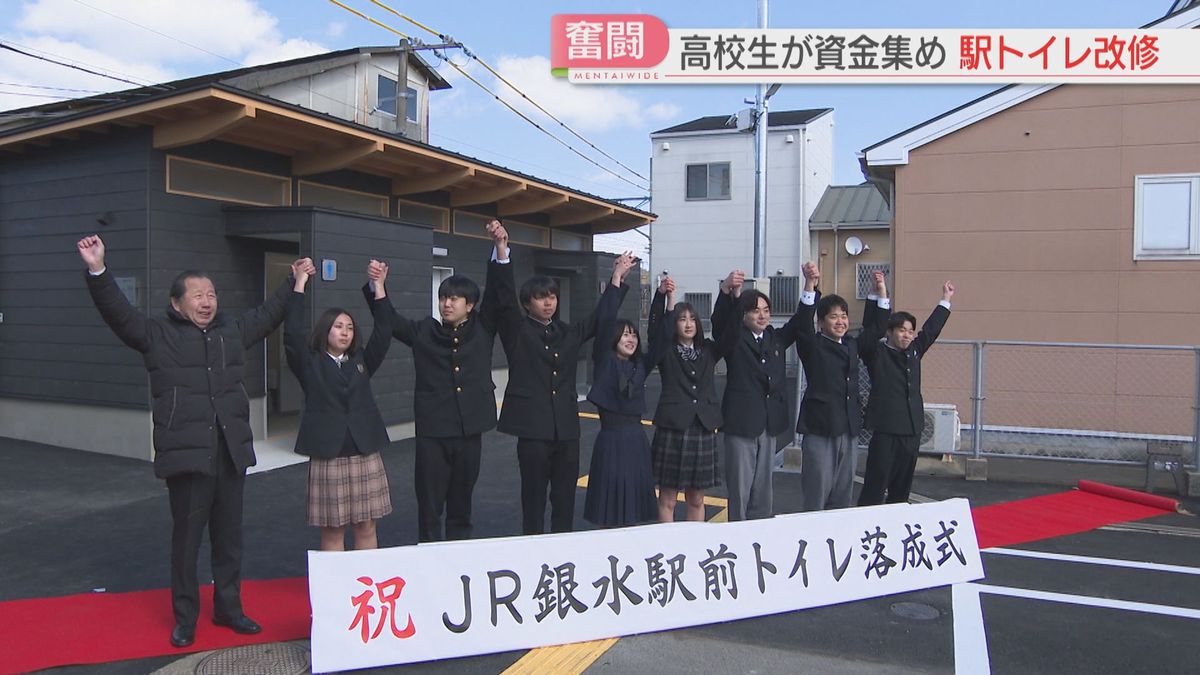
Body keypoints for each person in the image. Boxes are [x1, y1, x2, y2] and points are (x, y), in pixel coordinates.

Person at [77, 234, 302, 648]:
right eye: (197, 295)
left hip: (229, 452)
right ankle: (185, 618)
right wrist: (97, 270)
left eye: (211, 293)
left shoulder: (230, 331)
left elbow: (269, 315)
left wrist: (293, 282)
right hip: (188, 455)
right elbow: (118, 314)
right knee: (187, 542)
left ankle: (229, 608)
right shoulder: (157, 334)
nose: (207, 300)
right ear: (177, 303)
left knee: (229, 538)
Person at [361, 221, 509, 542]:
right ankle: (428, 557)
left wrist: (500, 249)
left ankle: (457, 560)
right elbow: (389, 321)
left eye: (455, 298)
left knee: (462, 502)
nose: (447, 303)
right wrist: (379, 286)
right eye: (444, 297)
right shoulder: (423, 332)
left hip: (470, 429)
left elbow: (499, 293)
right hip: (432, 431)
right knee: (429, 504)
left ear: (470, 306)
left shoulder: (483, 328)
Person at [491, 245, 633, 535]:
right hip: (532, 430)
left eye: (552, 296)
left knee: (565, 498)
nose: (548, 303)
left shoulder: (567, 332)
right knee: (533, 499)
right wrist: (502, 253)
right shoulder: (518, 331)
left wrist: (616, 277)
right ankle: (533, 551)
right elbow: (504, 300)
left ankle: (561, 555)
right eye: (541, 297)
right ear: (527, 303)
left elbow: (598, 318)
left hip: (566, 429)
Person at [285, 260, 394, 551]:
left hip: (364, 451)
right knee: (333, 530)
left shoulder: (362, 362)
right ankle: (336, 591)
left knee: (366, 526)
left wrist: (379, 287)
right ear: (325, 331)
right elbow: (293, 333)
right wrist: (299, 283)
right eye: (337, 327)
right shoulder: (310, 364)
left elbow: (384, 331)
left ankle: (365, 585)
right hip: (328, 455)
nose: (344, 332)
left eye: (349, 327)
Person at [711, 269, 808, 521]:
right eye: (755, 310)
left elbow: (799, 322)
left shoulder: (775, 339)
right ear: (743, 315)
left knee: (764, 487)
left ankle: (760, 533)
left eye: (766, 310)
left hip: (769, 423)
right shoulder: (734, 339)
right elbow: (721, 322)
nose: (762, 315)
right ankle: (737, 532)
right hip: (741, 423)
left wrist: (809, 286)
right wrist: (726, 290)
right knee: (740, 488)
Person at [857, 273, 954, 506]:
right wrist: (879, 294)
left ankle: (897, 525)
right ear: (889, 332)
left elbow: (931, 331)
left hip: (912, 428)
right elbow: (870, 329)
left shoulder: (913, 352)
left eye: (910, 331)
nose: (907, 335)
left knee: (902, 486)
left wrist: (945, 300)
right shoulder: (876, 353)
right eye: (901, 330)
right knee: (876, 484)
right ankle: (867, 525)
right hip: (887, 429)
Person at [582, 253, 655, 527]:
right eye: (624, 334)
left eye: (634, 334)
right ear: (613, 339)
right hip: (611, 441)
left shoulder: (640, 366)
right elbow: (606, 317)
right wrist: (616, 279)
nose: (631, 338)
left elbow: (659, 341)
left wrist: (663, 298)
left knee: (636, 509)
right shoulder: (605, 360)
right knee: (610, 510)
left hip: (637, 441)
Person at [794, 262, 872, 511]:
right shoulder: (813, 344)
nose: (840, 321)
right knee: (817, 492)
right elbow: (803, 323)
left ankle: (837, 545)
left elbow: (876, 329)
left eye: (844, 316)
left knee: (842, 494)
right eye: (833, 316)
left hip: (847, 427)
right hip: (820, 427)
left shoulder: (850, 344)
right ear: (821, 322)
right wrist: (810, 285)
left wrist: (879, 292)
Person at [645, 275, 723, 523]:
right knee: (667, 497)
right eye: (681, 319)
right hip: (673, 427)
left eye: (692, 319)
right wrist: (663, 297)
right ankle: (667, 547)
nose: (688, 324)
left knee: (697, 498)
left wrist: (728, 294)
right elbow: (656, 329)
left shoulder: (709, 350)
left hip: (702, 427)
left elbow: (730, 331)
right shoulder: (666, 351)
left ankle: (694, 547)